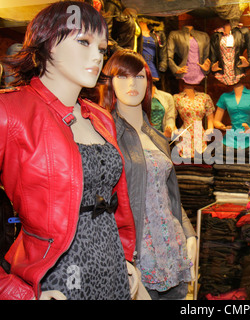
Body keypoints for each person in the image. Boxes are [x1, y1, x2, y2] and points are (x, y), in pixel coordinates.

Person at [0, 1, 136, 300]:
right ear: (46, 42)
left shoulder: (100, 117)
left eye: (101, 48)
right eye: (83, 42)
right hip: (56, 278)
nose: (96, 57)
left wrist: (126, 256)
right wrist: (13, 292)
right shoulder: (9, 111)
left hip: (112, 269)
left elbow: (117, 201)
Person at [98, 49, 197, 300]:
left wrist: (189, 234)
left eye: (140, 77)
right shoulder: (103, 136)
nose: (132, 84)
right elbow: (99, 209)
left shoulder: (157, 137)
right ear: (109, 82)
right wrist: (120, 261)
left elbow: (170, 196)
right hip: (136, 255)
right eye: (123, 77)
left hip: (172, 249)